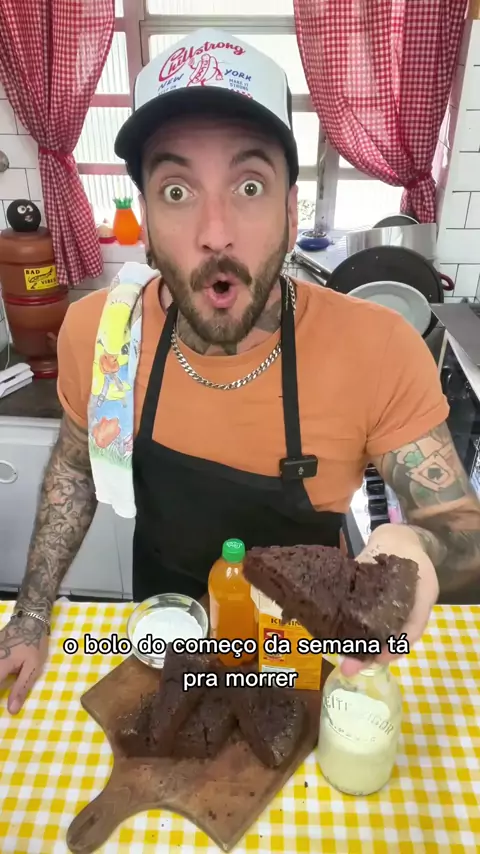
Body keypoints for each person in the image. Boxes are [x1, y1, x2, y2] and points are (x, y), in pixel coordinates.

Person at [1, 29, 479, 715]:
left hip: (303, 661)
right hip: (168, 647)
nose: (215, 231)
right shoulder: (104, 336)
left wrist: (419, 545)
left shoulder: (376, 348)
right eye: (176, 190)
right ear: (144, 221)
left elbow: (464, 532)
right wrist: (31, 615)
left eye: (250, 185)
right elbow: (75, 470)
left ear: (290, 211)